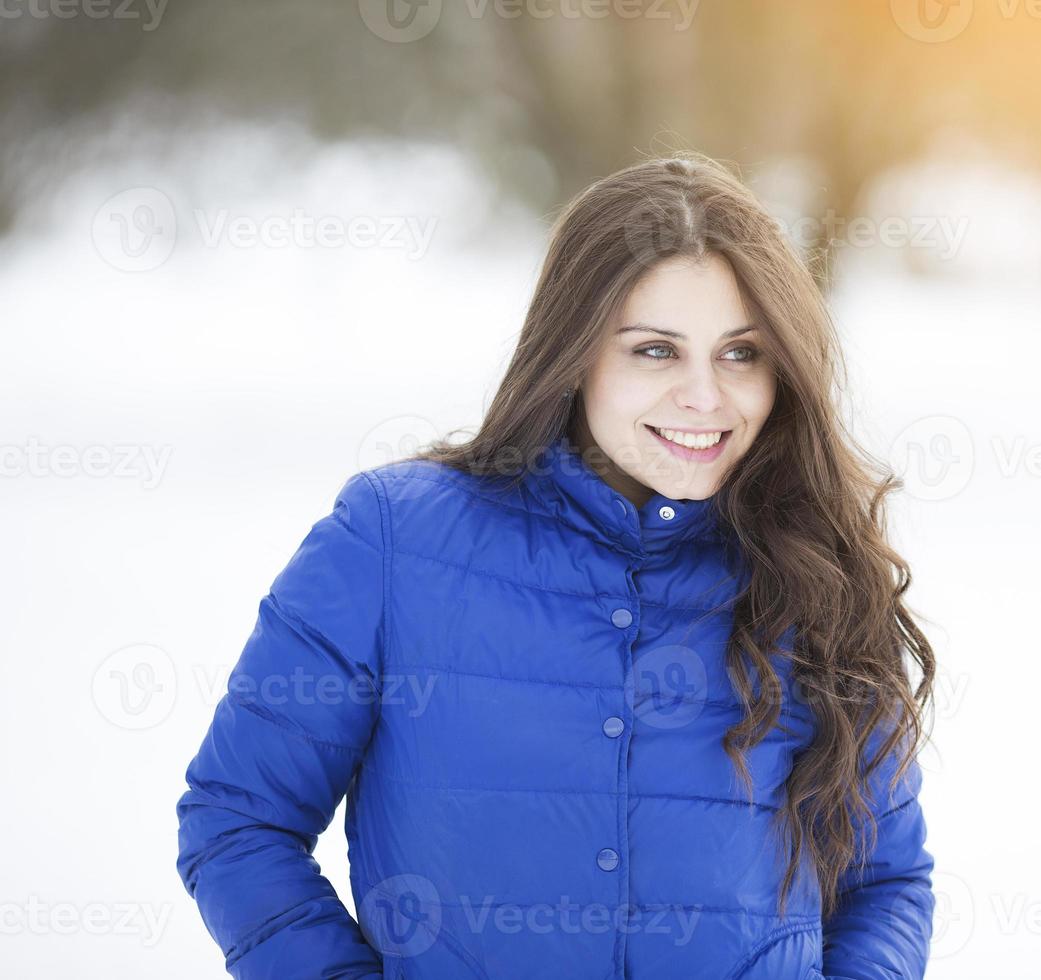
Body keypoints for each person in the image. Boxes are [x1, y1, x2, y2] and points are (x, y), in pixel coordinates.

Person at [175, 153, 938, 979]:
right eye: (655, 351)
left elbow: (885, 881)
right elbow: (238, 822)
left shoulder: (814, 571)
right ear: (575, 352)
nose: (706, 397)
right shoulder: (393, 541)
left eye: (741, 354)